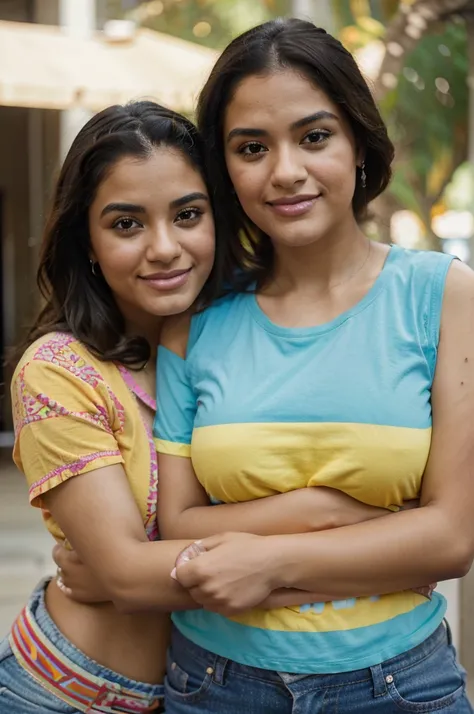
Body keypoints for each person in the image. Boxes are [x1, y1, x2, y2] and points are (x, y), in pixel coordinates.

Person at [2, 99, 393, 714]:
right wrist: (340, 522)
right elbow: (128, 576)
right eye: (126, 224)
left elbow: (135, 572)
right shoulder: (59, 373)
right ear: (88, 242)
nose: (164, 247)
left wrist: (147, 572)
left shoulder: (249, 336)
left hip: (212, 688)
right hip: (70, 693)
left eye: (187, 214)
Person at [152, 18, 474, 714]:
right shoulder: (192, 322)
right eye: (251, 148)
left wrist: (269, 562)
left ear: (359, 142)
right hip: (213, 685)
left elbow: (450, 538)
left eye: (314, 136)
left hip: (400, 687)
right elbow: (178, 526)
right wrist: (340, 519)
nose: (285, 171)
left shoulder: (443, 295)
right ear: (224, 168)